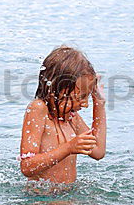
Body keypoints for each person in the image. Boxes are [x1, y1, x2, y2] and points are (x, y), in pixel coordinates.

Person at [20, 46, 106, 184]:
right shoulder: (38, 110)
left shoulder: (71, 117)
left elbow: (98, 151)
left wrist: (99, 104)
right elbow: (27, 166)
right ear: (59, 90)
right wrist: (69, 148)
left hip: (67, 196)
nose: (85, 104)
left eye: (88, 97)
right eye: (80, 97)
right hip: (42, 200)